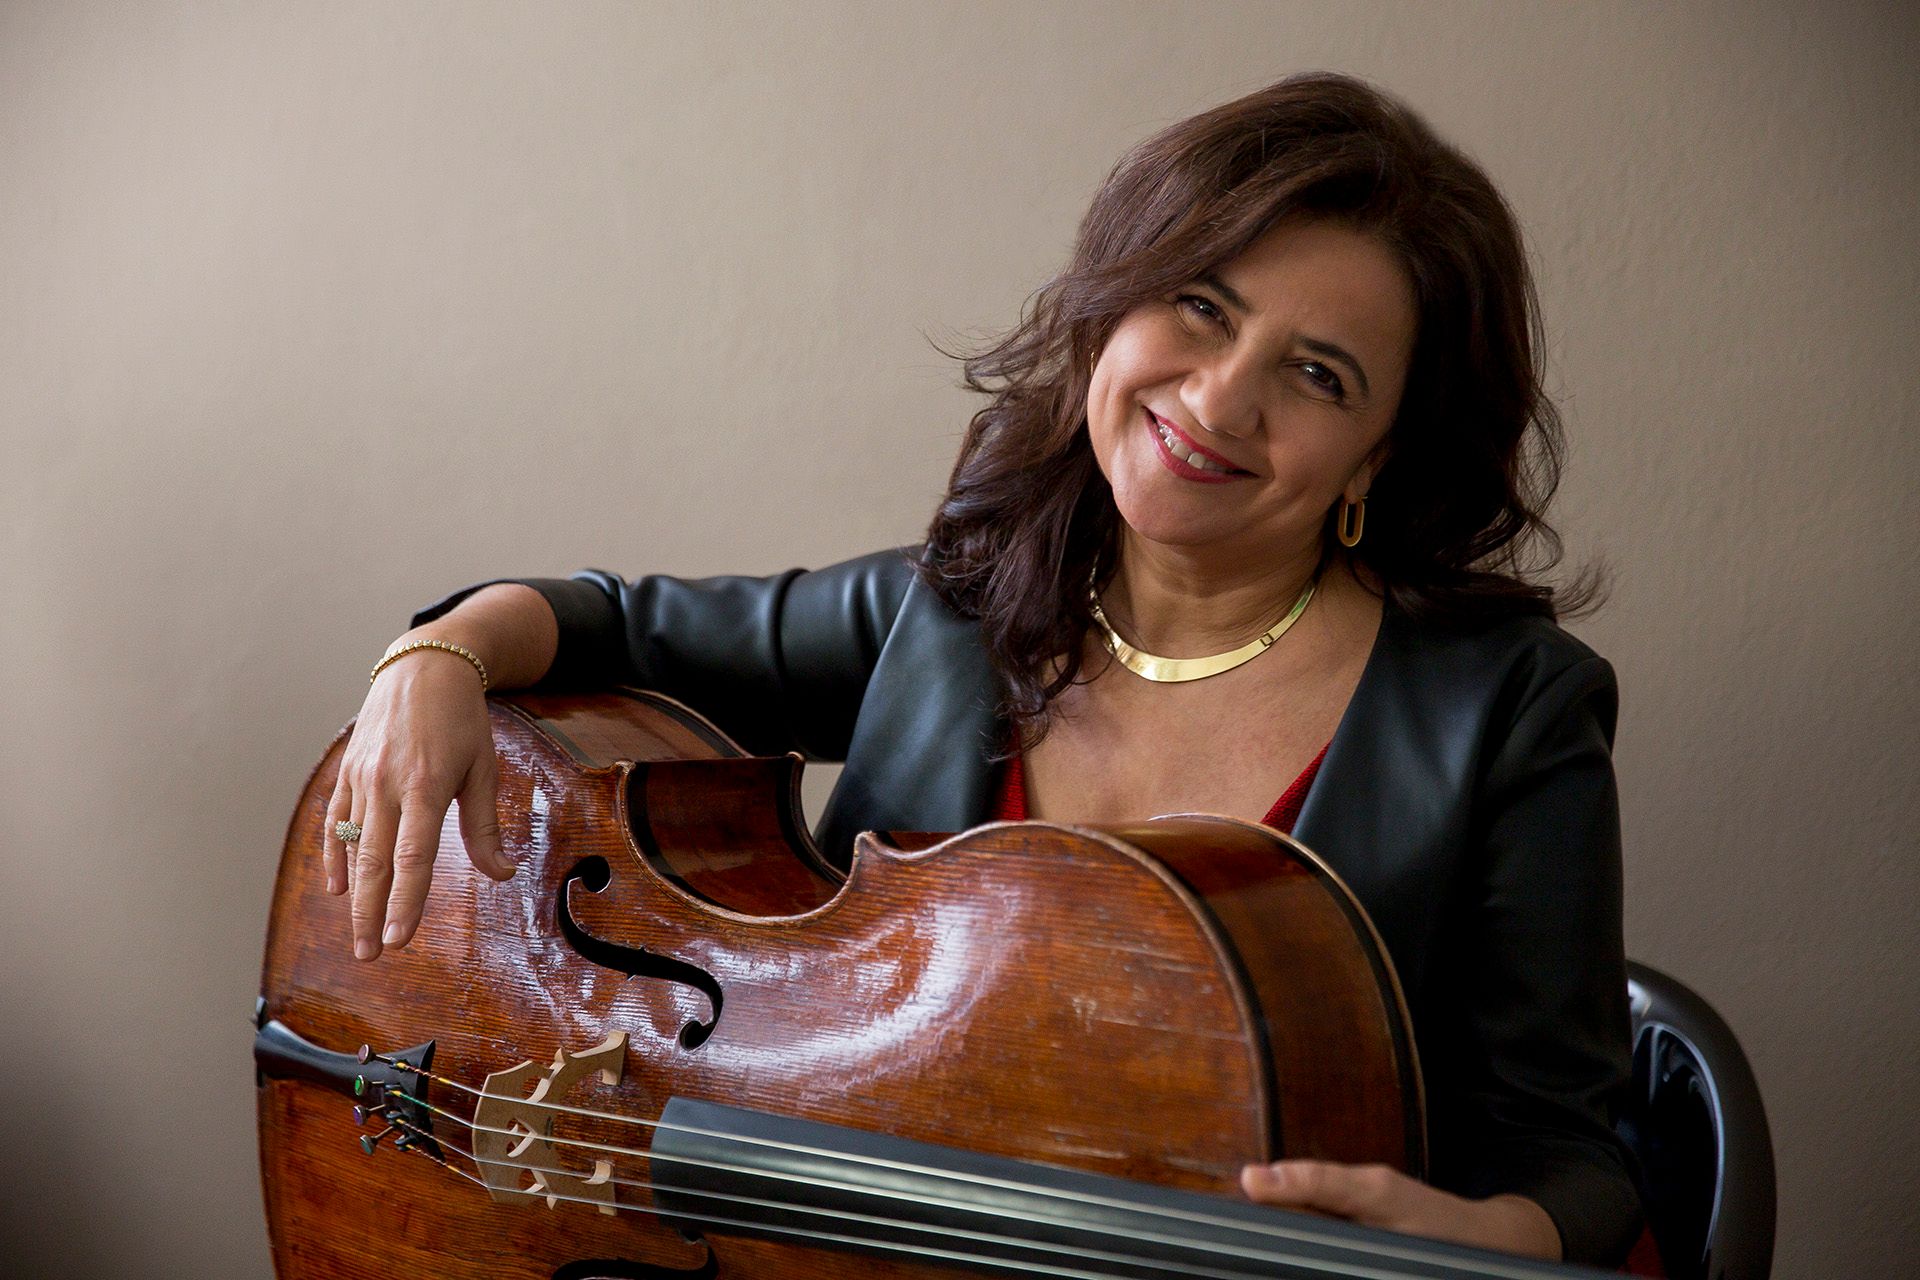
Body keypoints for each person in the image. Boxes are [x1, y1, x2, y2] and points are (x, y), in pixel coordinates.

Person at [322, 72, 1644, 1268]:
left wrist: (1484, 1236)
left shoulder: (1507, 710)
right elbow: (612, 625)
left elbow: (1578, 1156)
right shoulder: (955, 605)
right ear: (1114, 308)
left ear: (1381, 455)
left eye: (1317, 374)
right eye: (1201, 307)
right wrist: (439, 653)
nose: (1221, 399)